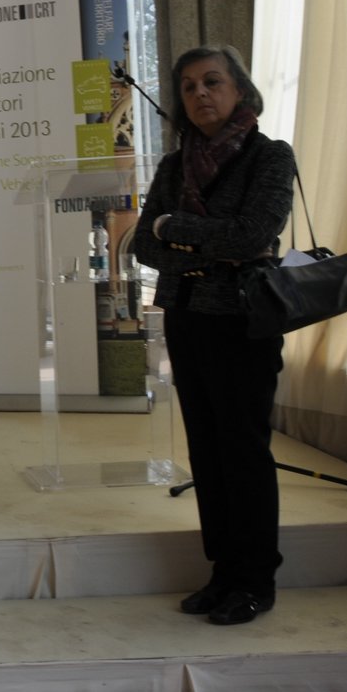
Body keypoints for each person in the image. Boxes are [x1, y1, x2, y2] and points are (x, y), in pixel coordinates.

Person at [133, 44, 295, 626]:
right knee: (205, 447)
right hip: (186, 315)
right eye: (189, 87)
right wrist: (194, 240)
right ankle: (222, 571)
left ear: (240, 91)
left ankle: (255, 580)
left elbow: (251, 235)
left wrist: (175, 227)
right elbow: (141, 246)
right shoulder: (175, 166)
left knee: (243, 450)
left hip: (244, 320)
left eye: (213, 82)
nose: (200, 94)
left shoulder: (270, 157)